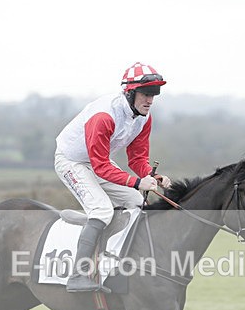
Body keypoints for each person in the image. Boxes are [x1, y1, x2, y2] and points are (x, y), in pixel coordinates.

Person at [54, 62, 172, 292]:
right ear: (130, 93)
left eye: (154, 94)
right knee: (102, 210)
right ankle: (78, 275)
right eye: (146, 94)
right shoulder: (104, 116)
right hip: (72, 161)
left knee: (137, 202)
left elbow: (137, 159)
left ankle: (120, 261)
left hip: (98, 162)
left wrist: (152, 176)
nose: (150, 100)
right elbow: (100, 166)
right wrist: (138, 182)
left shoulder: (144, 118)